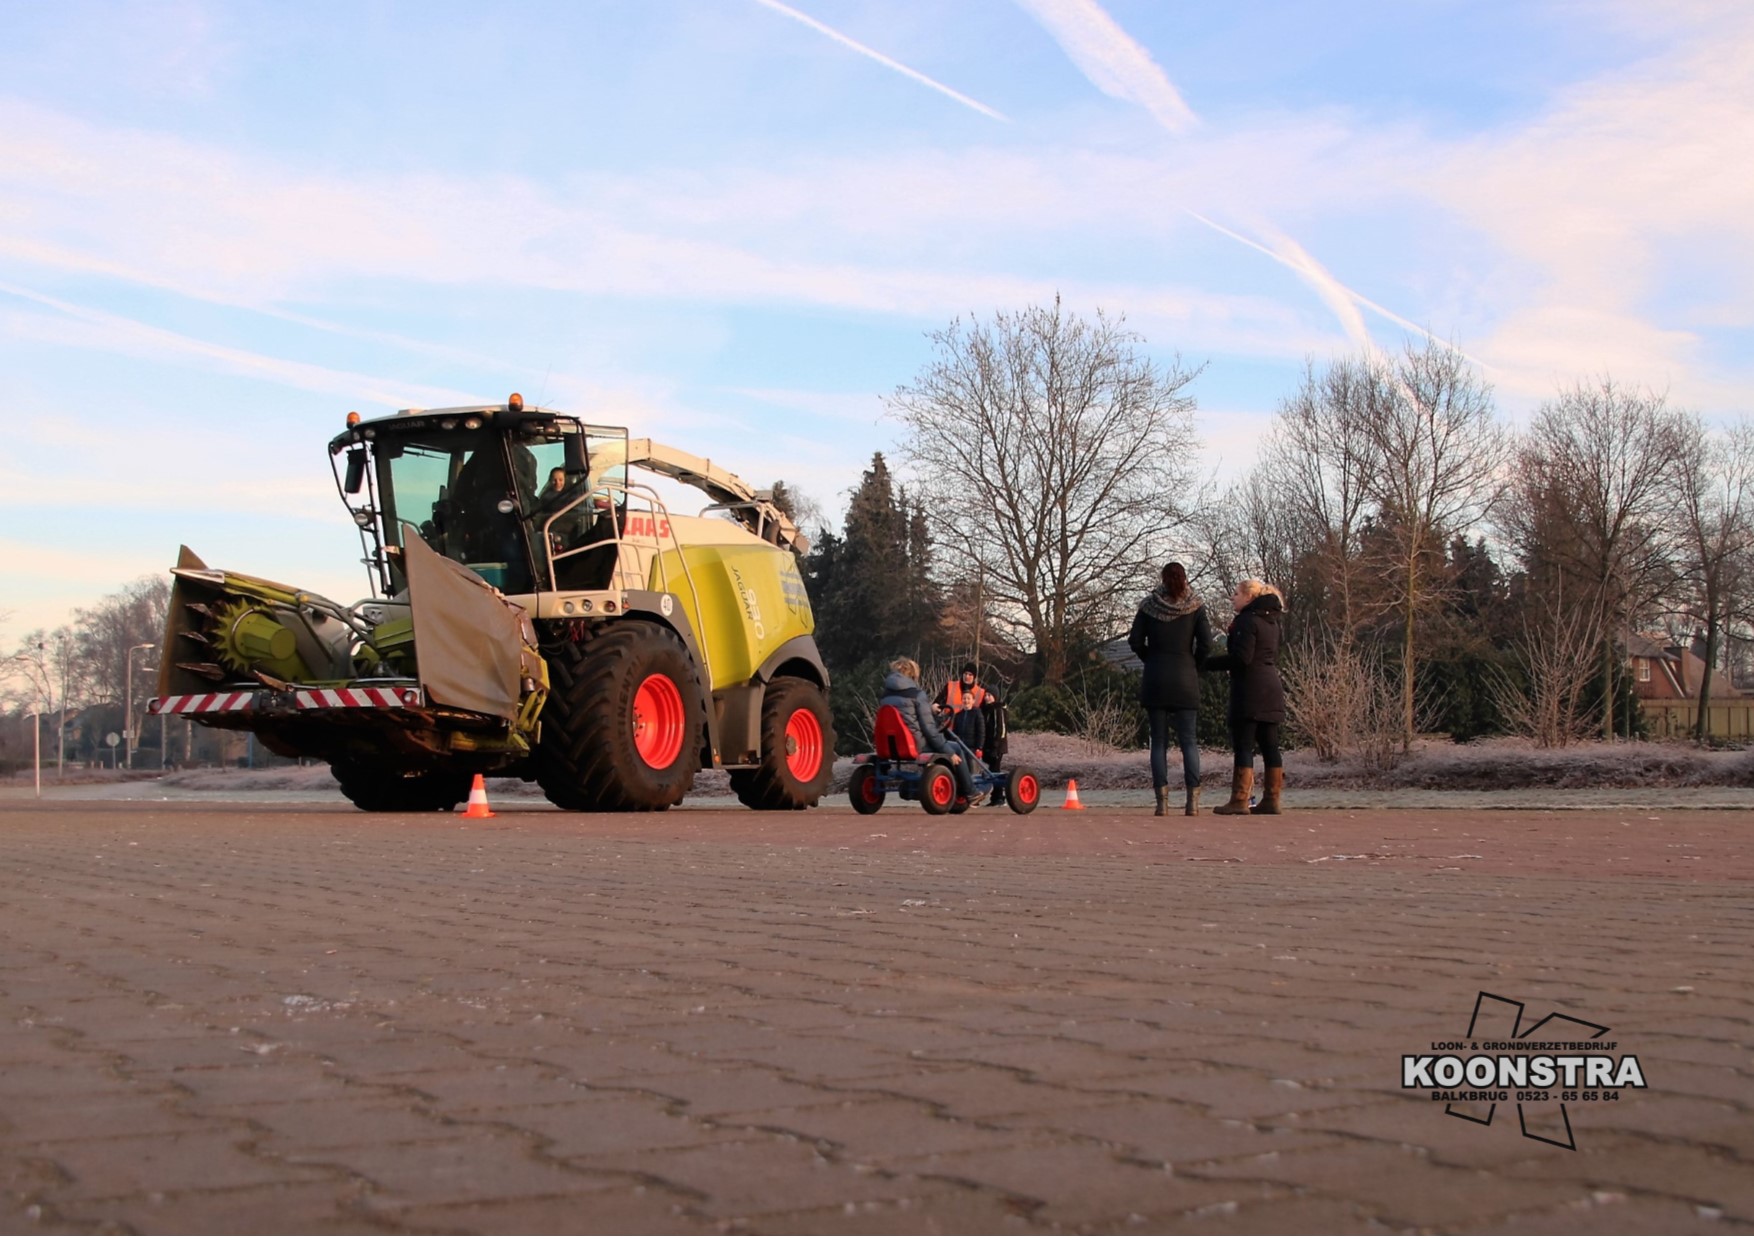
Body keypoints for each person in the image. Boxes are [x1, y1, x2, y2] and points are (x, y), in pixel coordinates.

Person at [1128, 562, 1212, 816]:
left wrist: (1150, 658)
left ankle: (1162, 803)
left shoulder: (1148, 606)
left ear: (1162, 579)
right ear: (1185, 579)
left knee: (1158, 743)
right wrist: (1193, 664)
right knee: (1189, 741)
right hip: (1185, 679)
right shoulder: (1196, 606)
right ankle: (1192, 803)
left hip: (1156, 678)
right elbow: (1206, 644)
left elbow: (1134, 641)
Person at [1205, 579, 1287, 815]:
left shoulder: (1247, 621)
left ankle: (1240, 799)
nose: (1233, 597)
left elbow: (1242, 657)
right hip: (1271, 686)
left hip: (1249, 689)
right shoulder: (1272, 622)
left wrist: (1207, 664)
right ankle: (1272, 798)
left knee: (1244, 744)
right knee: (1270, 744)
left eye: (1236, 593)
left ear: (1249, 597)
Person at [880, 656, 977, 803]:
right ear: (913, 675)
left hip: (890, 746)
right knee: (955, 747)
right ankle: (970, 791)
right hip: (915, 744)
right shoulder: (917, 695)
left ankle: (914, 786)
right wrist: (948, 752)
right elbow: (929, 730)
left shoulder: (885, 696)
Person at [933, 662, 992, 757]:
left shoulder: (981, 693)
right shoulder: (950, 686)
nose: (967, 676)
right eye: (965, 674)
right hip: (949, 732)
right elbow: (937, 702)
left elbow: (984, 721)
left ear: (974, 677)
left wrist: (980, 746)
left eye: (970, 674)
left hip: (970, 738)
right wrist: (935, 706)